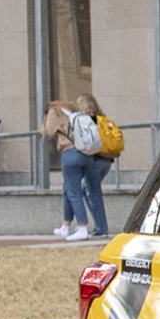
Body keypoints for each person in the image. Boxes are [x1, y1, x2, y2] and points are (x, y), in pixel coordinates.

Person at [42, 94, 114, 240]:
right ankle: (69, 225)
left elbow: (48, 132)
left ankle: (81, 227)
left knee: (74, 191)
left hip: (71, 154)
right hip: (90, 155)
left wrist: (45, 125)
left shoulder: (54, 111)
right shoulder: (76, 114)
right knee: (82, 189)